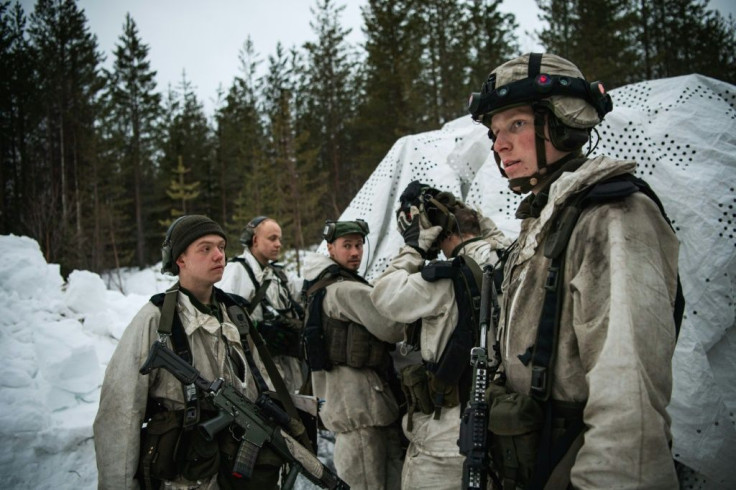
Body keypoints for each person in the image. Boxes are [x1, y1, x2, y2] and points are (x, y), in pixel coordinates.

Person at [467, 52, 683, 488]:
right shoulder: (545, 219)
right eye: (494, 133)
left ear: (562, 123)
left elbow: (630, 408)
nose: (499, 145)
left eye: (516, 125)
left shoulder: (614, 217)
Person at [94, 215, 287, 489]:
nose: (219, 255)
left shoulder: (235, 312)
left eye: (221, 246)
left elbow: (262, 380)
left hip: (241, 474)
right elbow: (120, 412)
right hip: (188, 477)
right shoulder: (156, 320)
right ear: (180, 260)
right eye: (205, 248)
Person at [369, 188, 509, 490]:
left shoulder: (447, 277)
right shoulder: (509, 258)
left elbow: (383, 296)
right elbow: (490, 236)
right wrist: (461, 214)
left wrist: (414, 248)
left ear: (442, 233)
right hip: (502, 420)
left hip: (448, 430)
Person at [302, 219, 404, 490]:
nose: (355, 252)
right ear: (330, 248)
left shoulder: (319, 287)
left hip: (348, 406)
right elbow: (393, 326)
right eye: (347, 246)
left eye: (358, 245)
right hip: (361, 408)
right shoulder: (344, 290)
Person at [217, 216, 305, 394]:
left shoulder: (279, 275)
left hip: (288, 364)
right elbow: (222, 316)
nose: (278, 244)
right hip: (257, 366)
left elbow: (306, 289)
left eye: (280, 239)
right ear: (255, 240)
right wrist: (257, 329)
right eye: (272, 238)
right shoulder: (236, 272)